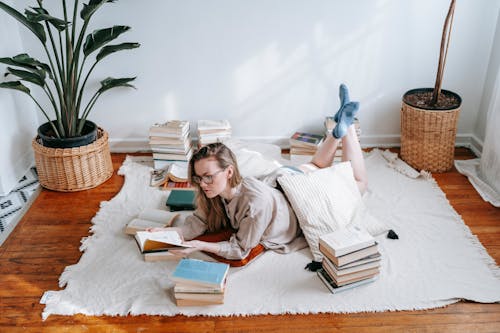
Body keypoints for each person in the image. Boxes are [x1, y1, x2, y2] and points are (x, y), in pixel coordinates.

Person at [153, 84, 367, 260]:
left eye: (208, 177)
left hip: (297, 200)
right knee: (317, 166)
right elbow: (198, 221)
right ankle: (339, 126)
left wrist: (200, 245)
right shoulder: (216, 193)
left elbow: (239, 249)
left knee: (357, 183)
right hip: (284, 180)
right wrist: (169, 235)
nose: (203, 183)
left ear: (229, 172)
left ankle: (346, 129)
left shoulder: (254, 205)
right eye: (198, 178)